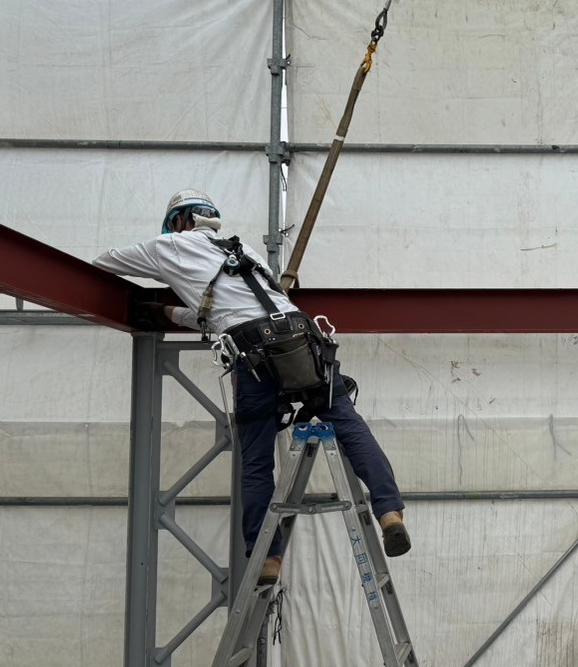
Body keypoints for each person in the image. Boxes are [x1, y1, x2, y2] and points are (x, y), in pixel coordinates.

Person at [94, 189, 410, 585]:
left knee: (257, 458)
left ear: (178, 221)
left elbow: (103, 264)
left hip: (254, 352)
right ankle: (389, 512)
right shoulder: (243, 252)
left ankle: (268, 556)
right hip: (302, 337)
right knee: (346, 421)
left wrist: (153, 298)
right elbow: (222, 310)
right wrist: (170, 312)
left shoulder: (168, 245)